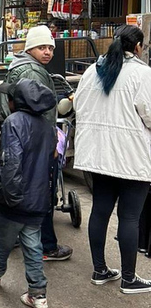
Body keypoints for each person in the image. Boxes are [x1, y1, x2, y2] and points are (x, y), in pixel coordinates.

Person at [73, 24, 151, 294]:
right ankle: (129, 279)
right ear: (138, 46)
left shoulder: (93, 71)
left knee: (100, 210)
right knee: (129, 217)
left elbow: (77, 106)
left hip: (98, 156)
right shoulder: (142, 74)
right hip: (131, 158)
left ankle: (100, 270)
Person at [0, 79, 57, 308]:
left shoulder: (13, 123)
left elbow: (10, 163)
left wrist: (8, 197)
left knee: (1, 239)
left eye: (8, 98)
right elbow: (51, 160)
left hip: (15, 197)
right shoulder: (48, 127)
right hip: (38, 199)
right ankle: (38, 293)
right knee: (32, 244)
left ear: (16, 101)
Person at [3, 25, 73, 262]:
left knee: (19, 187)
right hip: (35, 142)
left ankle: (12, 236)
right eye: (42, 47)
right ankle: (46, 246)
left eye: (50, 48)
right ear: (30, 48)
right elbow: (41, 112)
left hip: (23, 141)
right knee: (41, 193)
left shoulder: (19, 65)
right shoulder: (33, 72)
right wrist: (51, 143)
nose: (48, 52)